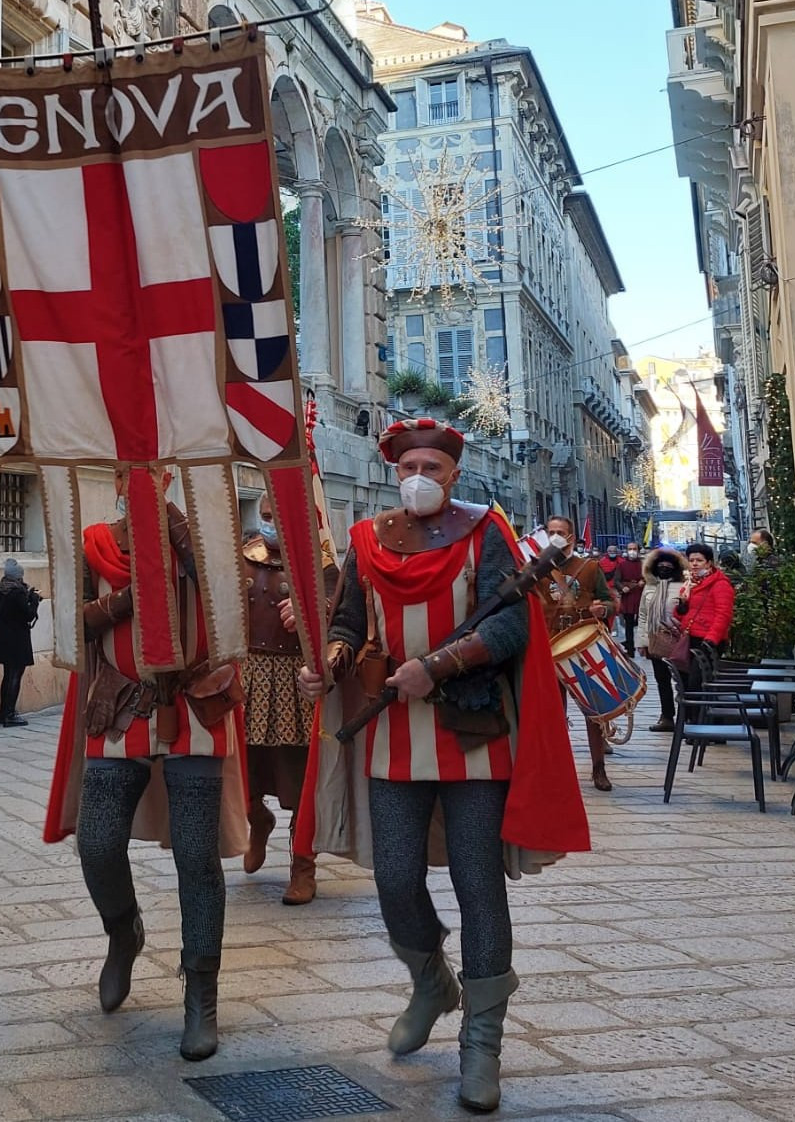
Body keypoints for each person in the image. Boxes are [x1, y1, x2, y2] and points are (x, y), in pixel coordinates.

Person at [294, 418, 589, 1114]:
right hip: (393, 731)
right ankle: (430, 981)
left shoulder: (487, 533)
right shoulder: (368, 539)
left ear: (453, 472)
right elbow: (349, 625)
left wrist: (437, 665)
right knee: (394, 879)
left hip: (474, 731)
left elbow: (512, 625)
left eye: (430, 464)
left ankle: (481, 1042)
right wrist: (330, 665)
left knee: (478, 883)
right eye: (407, 466)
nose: (418, 475)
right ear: (396, 472)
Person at [43, 465, 246, 1060]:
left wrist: (177, 533)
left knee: (195, 857)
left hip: (194, 708)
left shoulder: (205, 543)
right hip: (120, 707)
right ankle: (122, 931)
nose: (141, 485)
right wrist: (129, 600)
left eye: (153, 475)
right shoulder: (95, 544)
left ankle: (201, 991)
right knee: (98, 843)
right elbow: (68, 624)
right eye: (132, 475)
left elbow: (226, 601)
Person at [241, 493, 336, 905]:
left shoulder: (321, 562)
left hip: (297, 679)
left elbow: (343, 614)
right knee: (242, 766)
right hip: (248, 676)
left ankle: (302, 866)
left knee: (300, 778)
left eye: (277, 516)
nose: (269, 524)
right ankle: (256, 819)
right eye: (264, 516)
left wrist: (315, 613)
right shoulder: (241, 554)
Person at [533, 516, 617, 792]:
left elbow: (608, 600)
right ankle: (555, 769)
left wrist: (602, 609)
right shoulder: (537, 569)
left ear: (571, 538)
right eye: (551, 531)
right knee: (552, 713)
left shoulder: (589, 567)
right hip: (550, 644)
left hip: (582, 645)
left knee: (593, 711)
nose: (556, 535)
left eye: (561, 532)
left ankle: (598, 768)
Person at [637, 548, 688, 733]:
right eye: (661, 565)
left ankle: (687, 716)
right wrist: (642, 642)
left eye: (668, 565)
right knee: (662, 679)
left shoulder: (684, 586)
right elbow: (642, 615)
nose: (664, 567)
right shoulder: (649, 587)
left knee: (683, 679)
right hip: (656, 639)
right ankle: (667, 716)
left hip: (678, 639)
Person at [674, 542, 736, 691]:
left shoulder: (720, 583)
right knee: (686, 682)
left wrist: (711, 640)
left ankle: (699, 714)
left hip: (707, 640)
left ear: (709, 563)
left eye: (699, 560)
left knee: (698, 682)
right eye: (691, 560)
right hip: (690, 637)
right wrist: (681, 607)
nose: (695, 564)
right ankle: (689, 713)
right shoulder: (690, 584)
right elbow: (682, 615)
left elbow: (723, 614)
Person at [0, 558, 42, 727]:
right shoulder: (17, 592)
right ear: (18, 576)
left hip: (5, 638)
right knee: (15, 675)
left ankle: (3, 712)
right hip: (18, 639)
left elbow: (8, 611)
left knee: (8, 675)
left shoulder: (1, 589)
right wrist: (34, 600)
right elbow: (28, 615)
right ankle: (10, 714)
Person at [611, 543, 644, 656]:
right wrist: (622, 587)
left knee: (642, 623)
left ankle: (644, 647)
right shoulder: (622, 565)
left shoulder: (643, 565)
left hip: (641, 596)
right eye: (630, 549)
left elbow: (649, 578)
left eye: (634, 549)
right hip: (628, 596)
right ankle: (630, 647)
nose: (632, 551)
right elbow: (616, 581)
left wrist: (643, 582)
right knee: (628, 624)